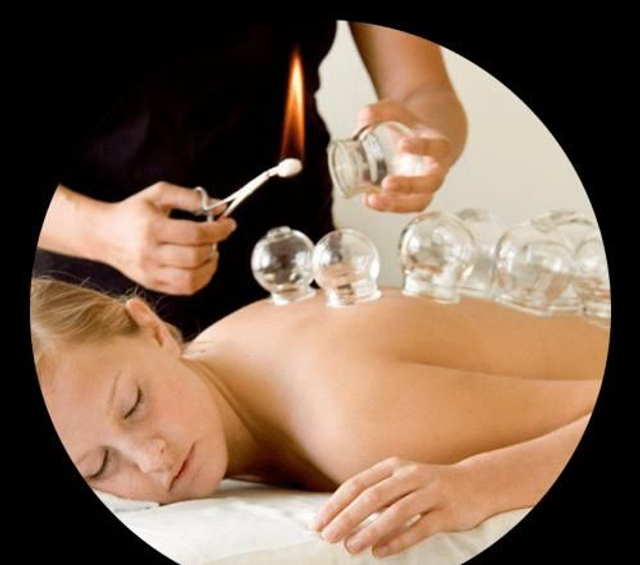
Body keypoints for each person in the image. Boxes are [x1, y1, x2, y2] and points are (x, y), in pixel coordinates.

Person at [31, 277, 608, 559]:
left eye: (134, 404)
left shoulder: (352, 416)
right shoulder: (222, 362)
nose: (150, 459)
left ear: (154, 329)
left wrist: (478, 484)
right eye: (100, 466)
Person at [34, 21, 468, 338]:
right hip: (97, 317)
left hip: (304, 286)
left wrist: (423, 140)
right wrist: (99, 233)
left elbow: (425, 91)